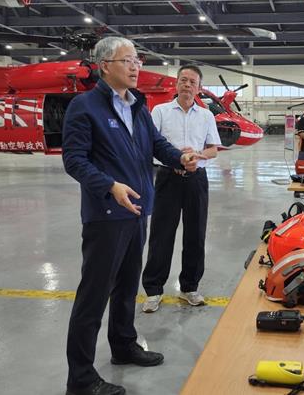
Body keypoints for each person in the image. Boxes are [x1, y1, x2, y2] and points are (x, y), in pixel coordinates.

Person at [62, 37, 203, 395]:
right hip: (107, 214)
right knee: (94, 296)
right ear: (105, 65)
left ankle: (123, 346)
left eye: (137, 60)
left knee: (126, 288)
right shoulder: (85, 106)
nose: (136, 66)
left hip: (138, 211)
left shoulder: (138, 106)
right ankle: (80, 377)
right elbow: (74, 160)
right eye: (127, 60)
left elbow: (156, 144)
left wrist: (180, 159)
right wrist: (110, 185)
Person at [142, 65, 221, 312]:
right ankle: (154, 290)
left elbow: (213, 149)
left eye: (192, 82)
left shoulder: (206, 115)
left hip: (197, 179)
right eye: (183, 80)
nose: (187, 85)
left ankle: (189, 287)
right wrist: (177, 158)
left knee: (195, 234)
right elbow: (151, 146)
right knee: (161, 235)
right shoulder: (160, 111)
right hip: (168, 178)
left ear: (199, 88)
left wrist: (197, 155)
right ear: (176, 84)